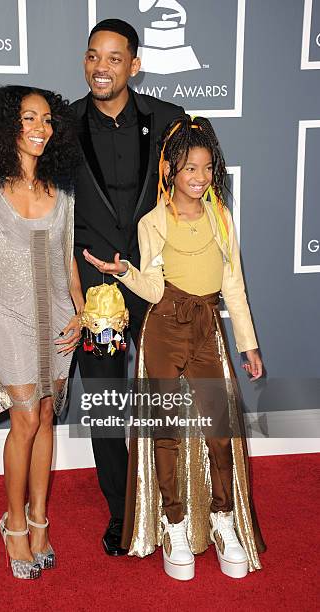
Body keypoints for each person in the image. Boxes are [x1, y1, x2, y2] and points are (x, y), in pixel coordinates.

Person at [83, 114, 266, 579]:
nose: (200, 178)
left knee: (218, 431)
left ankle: (224, 521)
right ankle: (175, 524)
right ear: (170, 171)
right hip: (163, 328)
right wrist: (124, 274)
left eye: (207, 168)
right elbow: (153, 286)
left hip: (207, 328)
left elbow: (233, 284)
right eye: (190, 169)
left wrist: (247, 344)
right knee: (164, 430)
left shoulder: (221, 217)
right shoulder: (152, 222)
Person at [71, 18, 185, 556]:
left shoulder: (168, 121)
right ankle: (123, 513)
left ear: (134, 66)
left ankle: (176, 507)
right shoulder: (64, 125)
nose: (101, 67)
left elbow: (193, 202)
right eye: (94, 56)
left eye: (114, 58)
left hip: (156, 284)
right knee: (107, 402)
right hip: (98, 296)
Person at [0, 85, 84, 579]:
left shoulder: (63, 190)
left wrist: (81, 310)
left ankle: (39, 521)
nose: (40, 127)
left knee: (48, 417)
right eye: (28, 118)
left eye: (47, 119)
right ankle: (13, 524)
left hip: (57, 319)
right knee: (26, 421)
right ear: (5, 127)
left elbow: (68, 261)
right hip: (7, 319)